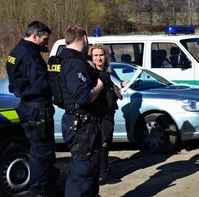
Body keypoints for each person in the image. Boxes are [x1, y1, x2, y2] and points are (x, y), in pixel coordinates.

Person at [5, 21, 60, 196]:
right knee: (42, 151)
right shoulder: (30, 54)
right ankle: (41, 190)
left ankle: (44, 184)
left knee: (36, 149)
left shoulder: (15, 52)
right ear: (35, 36)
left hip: (26, 106)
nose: (46, 42)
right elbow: (41, 83)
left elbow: (14, 83)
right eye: (45, 38)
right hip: (38, 109)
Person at [59, 25, 105, 196]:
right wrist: (99, 86)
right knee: (82, 175)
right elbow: (84, 97)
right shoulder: (74, 63)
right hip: (82, 125)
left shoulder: (61, 59)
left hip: (76, 122)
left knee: (85, 170)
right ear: (85, 40)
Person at [89, 44, 123, 185]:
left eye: (101, 55)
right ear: (91, 57)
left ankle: (104, 172)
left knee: (106, 143)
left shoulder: (106, 73)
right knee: (101, 144)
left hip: (108, 114)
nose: (99, 58)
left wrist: (118, 89)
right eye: (95, 55)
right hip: (99, 115)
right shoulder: (92, 74)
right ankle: (102, 175)